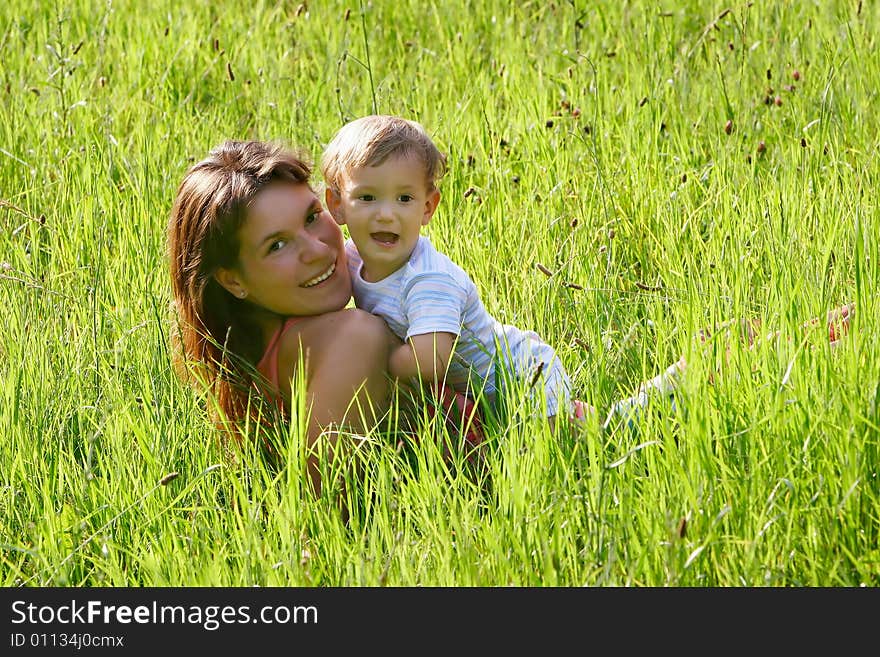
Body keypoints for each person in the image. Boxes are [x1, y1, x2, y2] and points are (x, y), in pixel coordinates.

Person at [320, 114, 592, 432]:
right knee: (499, 445)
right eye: (367, 197)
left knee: (554, 447)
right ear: (336, 204)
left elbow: (430, 359)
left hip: (521, 377)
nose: (386, 214)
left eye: (404, 198)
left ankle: (633, 412)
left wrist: (370, 359)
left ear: (427, 207)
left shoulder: (427, 280)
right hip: (472, 392)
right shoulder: (351, 257)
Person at [167, 139, 399, 496]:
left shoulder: (259, 362)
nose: (319, 250)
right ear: (233, 280)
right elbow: (328, 514)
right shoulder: (354, 336)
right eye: (277, 245)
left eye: (311, 217)